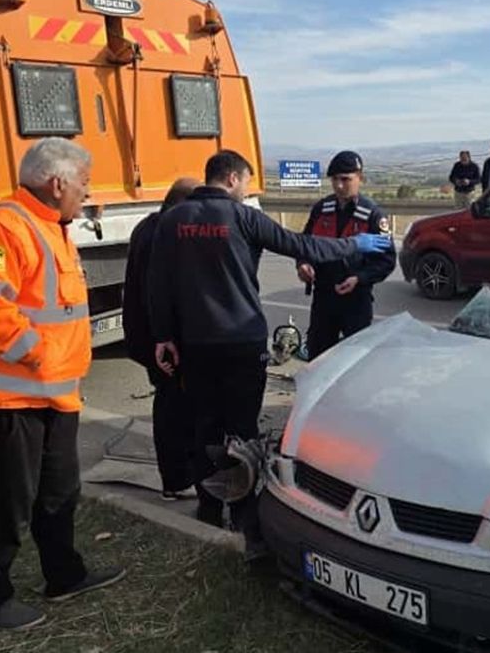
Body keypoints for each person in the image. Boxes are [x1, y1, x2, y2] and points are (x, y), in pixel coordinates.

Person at [149, 150, 391, 559]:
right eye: (244, 182)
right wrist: (355, 244)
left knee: (204, 424)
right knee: (242, 428)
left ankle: (209, 508)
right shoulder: (242, 217)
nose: (245, 191)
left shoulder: (171, 221)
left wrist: (163, 336)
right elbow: (302, 244)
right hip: (242, 340)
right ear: (230, 179)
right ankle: (245, 516)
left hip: (196, 344)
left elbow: (157, 283)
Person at [0, 137, 125, 630]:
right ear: (57, 182)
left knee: (58, 491)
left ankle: (64, 574)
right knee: (7, 500)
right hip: (5, 397)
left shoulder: (53, 226)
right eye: (83, 183)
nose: (88, 192)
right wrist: (41, 357)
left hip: (53, 393)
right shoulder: (2, 225)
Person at [123, 177, 199, 500]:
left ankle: (177, 475)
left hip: (145, 334)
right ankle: (177, 480)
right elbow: (162, 293)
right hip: (159, 338)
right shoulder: (166, 234)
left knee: (170, 403)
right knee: (173, 406)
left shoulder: (148, 225)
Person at [296, 151, 396, 360]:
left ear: (360, 178)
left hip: (356, 300)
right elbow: (305, 245)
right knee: (318, 358)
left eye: (346, 179)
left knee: (355, 361)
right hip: (323, 296)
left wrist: (359, 278)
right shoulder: (321, 209)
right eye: (335, 180)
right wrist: (303, 264)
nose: (339, 185)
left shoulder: (373, 215)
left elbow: (386, 261)